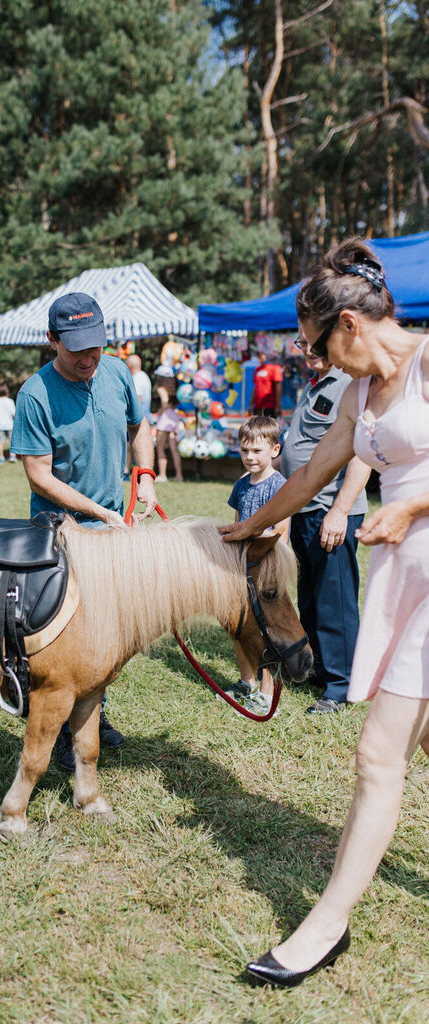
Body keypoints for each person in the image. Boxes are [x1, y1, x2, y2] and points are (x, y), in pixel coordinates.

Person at [219, 237, 429, 988]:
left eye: (317, 347)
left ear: (347, 324)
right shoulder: (356, 395)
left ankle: (324, 925)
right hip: (404, 574)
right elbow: (309, 472)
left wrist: (409, 511)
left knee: (378, 755)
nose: (318, 364)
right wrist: (249, 526)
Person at [10, 292, 157, 772]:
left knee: (104, 632)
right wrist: (96, 509)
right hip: (58, 529)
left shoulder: (115, 373)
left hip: (111, 523)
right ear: (52, 341)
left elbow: (140, 428)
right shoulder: (34, 394)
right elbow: (40, 476)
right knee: (58, 636)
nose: (89, 358)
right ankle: (49, 726)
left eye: (96, 346)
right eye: (77, 350)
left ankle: (93, 714)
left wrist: (146, 477)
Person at [281, 340, 371, 714]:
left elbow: (362, 453)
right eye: (303, 343)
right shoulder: (315, 382)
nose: (309, 349)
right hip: (306, 508)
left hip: (330, 510)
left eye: (317, 342)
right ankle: (321, 667)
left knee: (335, 601)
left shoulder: (348, 384)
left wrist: (340, 510)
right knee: (312, 596)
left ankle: (343, 683)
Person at [223, 415, 287, 714]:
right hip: (241, 567)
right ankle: (245, 680)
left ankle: (266, 688)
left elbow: (280, 530)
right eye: (244, 450)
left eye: (257, 451)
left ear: (275, 450)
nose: (249, 457)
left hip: (267, 568)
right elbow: (237, 524)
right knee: (239, 627)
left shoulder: (279, 486)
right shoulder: (240, 485)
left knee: (263, 631)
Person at [154, 392, 184, 482]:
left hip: (163, 426)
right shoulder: (175, 413)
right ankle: (179, 475)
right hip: (173, 427)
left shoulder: (164, 411)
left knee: (160, 450)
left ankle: (162, 475)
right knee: (174, 451)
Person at [248, 350, 283, 418]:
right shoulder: (257, 369)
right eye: (259, 357)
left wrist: (278, 405)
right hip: (258, 406)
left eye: (262, 356)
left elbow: (279, 387)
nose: (260, 359)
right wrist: (251, 404)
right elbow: (255, 388)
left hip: (270, 407)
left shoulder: (275, 368)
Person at [0, 384, 16, 463]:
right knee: (11, 441)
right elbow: (14, 414)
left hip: (0, 425)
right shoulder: (10, 401)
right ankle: (12, 456)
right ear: (7, 392)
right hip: (10, 425)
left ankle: (1, 457)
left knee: (0, 442)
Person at [126, 353, 152, 421]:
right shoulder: (143, 376)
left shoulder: (137, 379)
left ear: (129, 366)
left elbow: (137, 400)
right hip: (144, 417)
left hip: (139, 421)